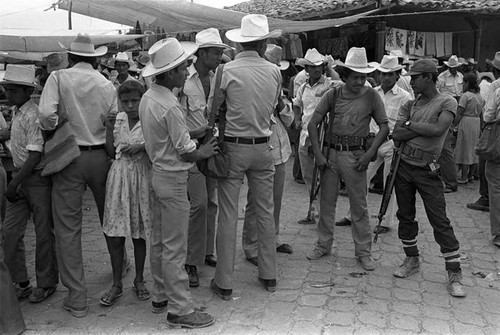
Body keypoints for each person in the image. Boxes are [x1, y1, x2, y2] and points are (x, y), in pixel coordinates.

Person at [140, 37, 217, 328]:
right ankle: (180, 309)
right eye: (183, 68)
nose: (187, 72)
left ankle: (161, 294)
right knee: (175, 247)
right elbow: (184, 150)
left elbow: (169, 138)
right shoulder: (170, 104)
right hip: (173, 179)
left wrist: (195, 132)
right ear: (170, 73)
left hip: (158, 174)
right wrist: (203, 151)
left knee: (160, 242)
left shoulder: (150, 97)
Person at [39, 33, 117, 317]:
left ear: (71, 57)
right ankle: (119, 271)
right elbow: (114, 121)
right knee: (110, 218)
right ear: (95, 59)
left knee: (68, 228)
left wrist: (59, 126)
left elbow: (46, 114)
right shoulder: (106, 84)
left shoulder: (58, 78)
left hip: (69, 155)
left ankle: (78, 297)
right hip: (100, 155)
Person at [208, 14, 282, 300]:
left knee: (228, 213)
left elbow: (213, 113)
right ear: (263, 43)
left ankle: (224, 282)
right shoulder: (275, 71)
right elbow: (273, 105)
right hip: (264, 146)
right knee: (264, 212)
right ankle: (269, 275)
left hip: (234, 146)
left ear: (239, 43)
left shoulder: (226, 71)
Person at [306, 47, 389, 272]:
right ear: (345, 76)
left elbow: (384, 127)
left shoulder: (371, 96)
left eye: (363, 77)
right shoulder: (333, 94)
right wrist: (319, 153)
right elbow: (313, 123)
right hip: (331, 154)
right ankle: (323, 245)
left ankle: (364, 252)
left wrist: (371, 153)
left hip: (356, 156)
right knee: (326, 202)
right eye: (355, 77)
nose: (360, 81)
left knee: (359, 206)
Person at [391, 59, 466, 297]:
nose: (411, 81)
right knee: (405, 214)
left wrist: (411, 126)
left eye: (414, 77)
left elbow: (438, 130)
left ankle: (454, 271)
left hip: (427, 168)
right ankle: (411, 259)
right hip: (403, 165)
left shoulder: (447, 101)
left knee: (439, 219)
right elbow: (396, 134)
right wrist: (417, 127)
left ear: (428, 77)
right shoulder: (410, 104)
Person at [335, 55, 412, 234]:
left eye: (390, 74)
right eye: (383, 74)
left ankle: (385, 221)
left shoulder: (405, 97)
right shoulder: (371, 92)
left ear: (397, 76)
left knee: (389, 182)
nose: (386, 78)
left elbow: (405, 122)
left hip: (392, 143)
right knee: (360, 180)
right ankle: (352, 215)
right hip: (370, 142)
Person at [1, 64, 59, 303]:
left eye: (13, 91)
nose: (8, 95)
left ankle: (46, 283)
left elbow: (35, 154)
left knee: (43, 232)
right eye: (8, 90)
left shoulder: (33, 115)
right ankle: (22, 281)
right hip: (21, 176)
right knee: (10, 233)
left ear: (26, 92)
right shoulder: (18, 112)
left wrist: (15, 182)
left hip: (33, 179)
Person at [180, 27, 228, 287]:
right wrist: (197, 133)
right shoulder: (184, 80)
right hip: (191, 146)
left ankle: (206, 252)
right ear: (202, 53)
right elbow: (176, 121)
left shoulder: (217, 78)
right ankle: (190, 260)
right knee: (198, 203)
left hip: (211, 144)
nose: (220, 56)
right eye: (216, 52)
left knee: (210, 202)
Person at [99, 80, 151, 306]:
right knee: (116, 232)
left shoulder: (150, 119)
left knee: (139, 233)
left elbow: (160, 146)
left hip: (141, 177)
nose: (130, 106)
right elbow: (111, 151)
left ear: (142, 100)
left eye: (135, 101)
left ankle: (139, 279)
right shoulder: (118, 119)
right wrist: (109, 130)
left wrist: (142, 147)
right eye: (126, 101)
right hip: (119, 177)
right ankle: (116, 284)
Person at [243, 44, 294, 265]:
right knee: (256, 200)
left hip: (280, 149)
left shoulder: (278, 90)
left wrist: (280, 103)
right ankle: (251, 245)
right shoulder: (252, 87)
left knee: (275, 199)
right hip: (261, 147)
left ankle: (272, 238)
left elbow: (290, 122)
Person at [292, 48, 336, 225]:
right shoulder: (303, 87)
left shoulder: (329, 84)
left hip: (323, 136)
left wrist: (330, 67)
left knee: (323, 177)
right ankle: (312, 212)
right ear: (307, 70)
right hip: (305, 136)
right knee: (309, 176)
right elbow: (296, 104)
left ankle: (322, 215)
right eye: (313, 67)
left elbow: (340, 83)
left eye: (319, 66)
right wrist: (296, 119)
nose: (317, 70)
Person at [467, 52, 500, 212]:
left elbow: (488, 112)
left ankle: (486, 198)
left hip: (494, 128)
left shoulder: (496, 85)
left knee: (486, 161)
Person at [436, 55, 463, 194]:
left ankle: (451, 182)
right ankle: (449, 180)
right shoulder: (442, 77)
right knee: (445, 149)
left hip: (456, 107)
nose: (453, 70)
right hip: (445, 107)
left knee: (446, 150)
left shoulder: (461, 77)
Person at [482, 53, 500, 248]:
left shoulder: (497, 88)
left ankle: (499, 234)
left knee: (495, 186)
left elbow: (487, 116)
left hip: (498, 142)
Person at [453, 73, 484, 184]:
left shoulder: (466, 96)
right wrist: (481, 127)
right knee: (473, 149)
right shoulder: (480, 96)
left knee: (464, 148)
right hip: (476, 123)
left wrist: (453, 125)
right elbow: (481, 114)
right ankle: (470, 175)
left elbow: (460, 112)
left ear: (467, 83)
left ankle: (463, 177)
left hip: (466, 122)